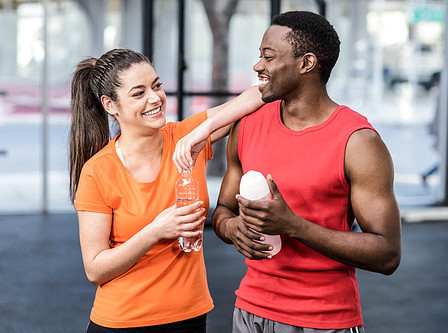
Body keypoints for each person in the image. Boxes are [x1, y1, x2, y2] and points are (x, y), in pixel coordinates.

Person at [210, 11, 402, 332]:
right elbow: (224, 211)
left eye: (268, 57)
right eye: (260, 56)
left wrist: (294, 226)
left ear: (306, 63)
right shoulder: (247, 125)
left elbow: (387, 254)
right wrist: (233, 230)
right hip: (249, 311)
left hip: (323, 319)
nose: (258, 66)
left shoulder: (358, 142)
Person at [69, 48, 264, 332]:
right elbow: (95, 269)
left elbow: (257, 95)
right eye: (138, 93)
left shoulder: (186, 140)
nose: (154, 98)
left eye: (157, 86)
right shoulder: (98, 171)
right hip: (121, 322)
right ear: (110, 104)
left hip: (189, 317)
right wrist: (157, 230)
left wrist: (204, 129)